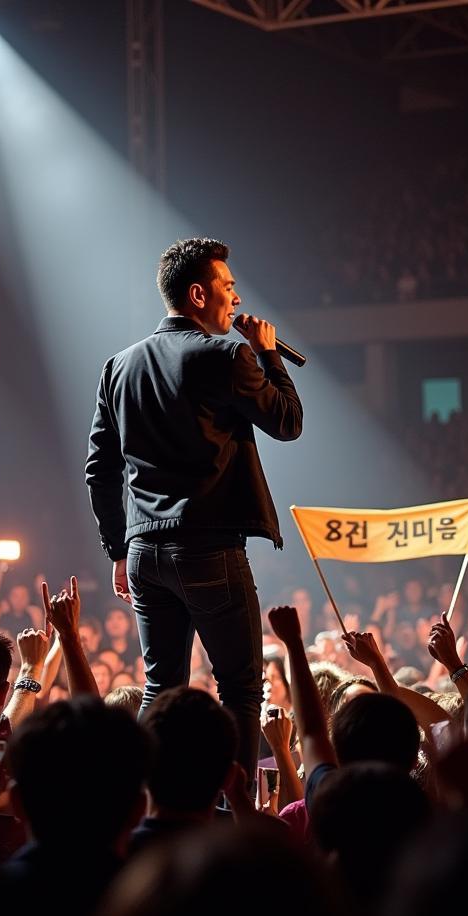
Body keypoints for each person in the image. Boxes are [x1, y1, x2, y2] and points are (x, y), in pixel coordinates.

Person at [86, 237, 303, 777]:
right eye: (228, 288)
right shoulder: (228, 355)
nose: (236, 298)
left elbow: (99, 469)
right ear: (199, 294)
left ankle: (136, 797)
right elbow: (288, 422)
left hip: (143, 553)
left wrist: (119, 548)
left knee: (160, 688)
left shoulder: (118, 366)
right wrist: (270, 355)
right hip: (206, 546)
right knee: (240, 687)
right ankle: (234, 815)